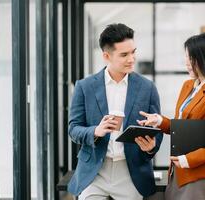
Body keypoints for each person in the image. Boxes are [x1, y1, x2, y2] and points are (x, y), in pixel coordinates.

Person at [67, 23, 163, 200]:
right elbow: (73, 129)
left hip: (131, 171)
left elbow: (157, 131)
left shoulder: (147, 88)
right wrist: (95, 131)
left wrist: (151, 148)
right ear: (106, 56)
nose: (131, 59)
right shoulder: (84, 87)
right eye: (124, 55)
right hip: (94, 173)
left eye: (133, 52)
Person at [137, 32, 205, 200]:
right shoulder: (188, 85)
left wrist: (189, 160)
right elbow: (184, 127)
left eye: (191, 58)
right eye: (186, 57)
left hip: (199, 174)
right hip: (177, 170)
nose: (186, 63)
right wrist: (160, 121)